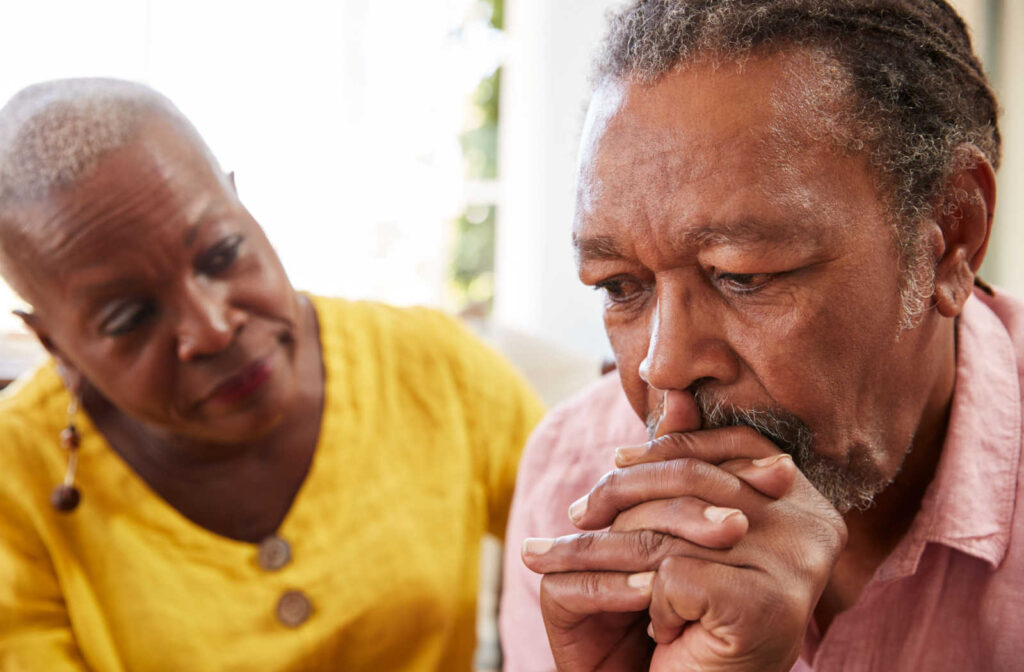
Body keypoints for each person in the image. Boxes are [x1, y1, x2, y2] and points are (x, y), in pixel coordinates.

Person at [500, 0, 1022, 670]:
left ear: (952, 236)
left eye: (741, 276)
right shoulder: (570, 484)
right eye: (619, 286)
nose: (663, 366)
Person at [0, 78, 544, 671]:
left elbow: (596, 554)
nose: (211, 328)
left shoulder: (436, 369)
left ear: (245, 211)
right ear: (57, 346)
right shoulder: (14, 480)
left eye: (222, 254)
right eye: (130, 316)